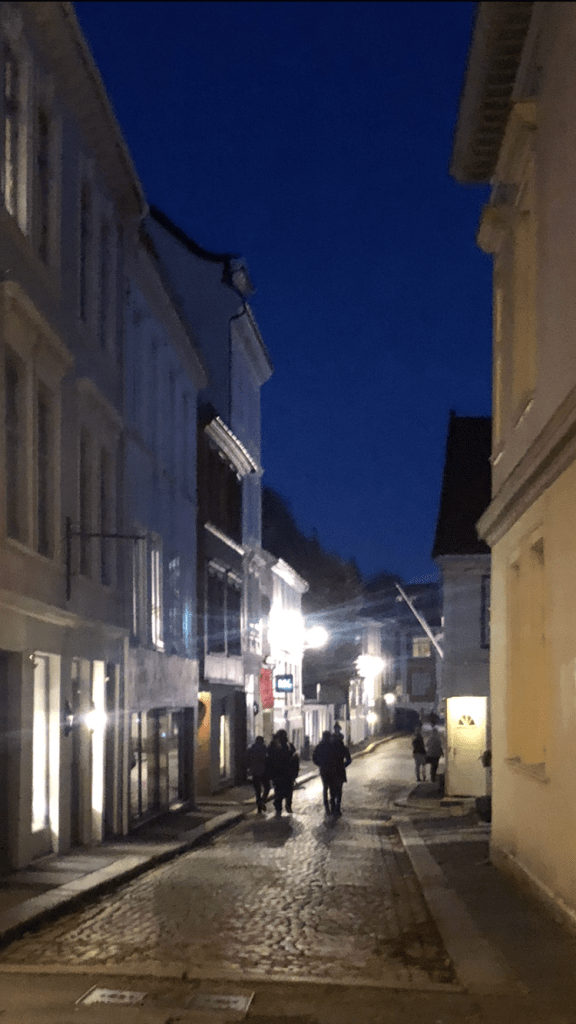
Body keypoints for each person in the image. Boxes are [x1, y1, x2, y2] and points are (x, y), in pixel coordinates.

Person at [266, 729, 299, 816]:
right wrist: (294, 774)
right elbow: (295, 759)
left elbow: (269, 757)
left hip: (279, 773)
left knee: (279, 791)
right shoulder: (288, 746)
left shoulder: (277, 746)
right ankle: (286, 806)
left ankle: (279, 807)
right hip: (285, 773)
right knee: (287, 791)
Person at [313, 731, 339, 814]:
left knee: (325, 786)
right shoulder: (332, 746)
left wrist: (320, 764)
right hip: (332, 769)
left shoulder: (319, 746)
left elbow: (314, 757)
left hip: (323, 769)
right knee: (332, 786)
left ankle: (326, 803)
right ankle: (332, 803)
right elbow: (337, 757)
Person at [246, 735, 270, 813]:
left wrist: (249, 769)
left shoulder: (251, 749)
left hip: (255, 772)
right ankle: (262, 801)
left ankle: (259, 805)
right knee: (267, 787)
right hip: (263, 772)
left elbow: (247, 759)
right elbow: (267, 759)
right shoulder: (264, 749)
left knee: (257, 790)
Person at [331, 729, 351, 815]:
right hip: (340, 771)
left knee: (332, 789)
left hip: (331, 771)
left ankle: (332, 806)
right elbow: (349, 760)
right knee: (339, 790)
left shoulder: (331, 747)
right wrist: (344, 765)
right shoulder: (343, 748)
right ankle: (337, 808)